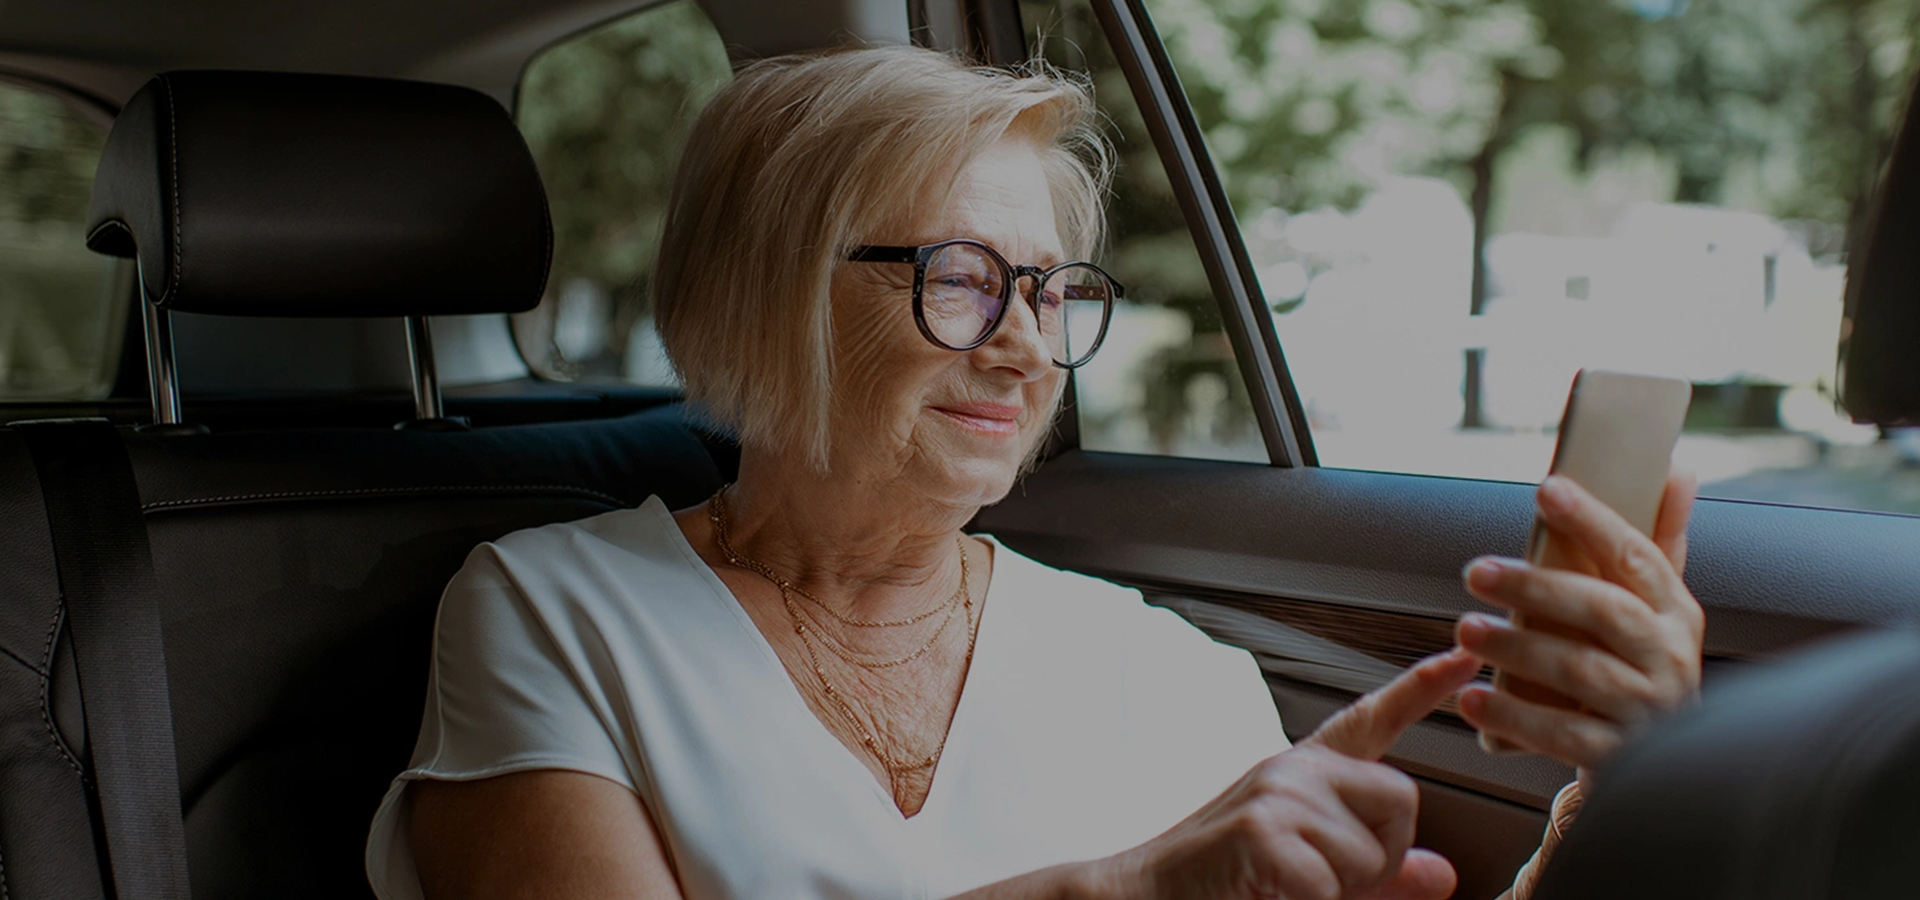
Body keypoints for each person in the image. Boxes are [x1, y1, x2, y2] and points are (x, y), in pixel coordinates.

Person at [363, 45, 1705, 900]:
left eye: (1054, 292)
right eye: (959, 279)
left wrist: (1622, 792)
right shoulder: (549, 613)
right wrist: (1124, 894)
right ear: (758, 297)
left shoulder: (1167, 670)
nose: (1023, 346)